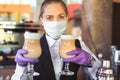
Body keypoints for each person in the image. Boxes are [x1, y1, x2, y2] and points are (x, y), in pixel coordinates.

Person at [11, 0, 101, 80]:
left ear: (66, 19)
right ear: (41, 21)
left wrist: (90, 61)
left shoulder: (79, 44)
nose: (56, 22)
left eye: (61, 17)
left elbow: (102, 75)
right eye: (49, 18)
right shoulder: (32, 46)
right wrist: (21, 66)